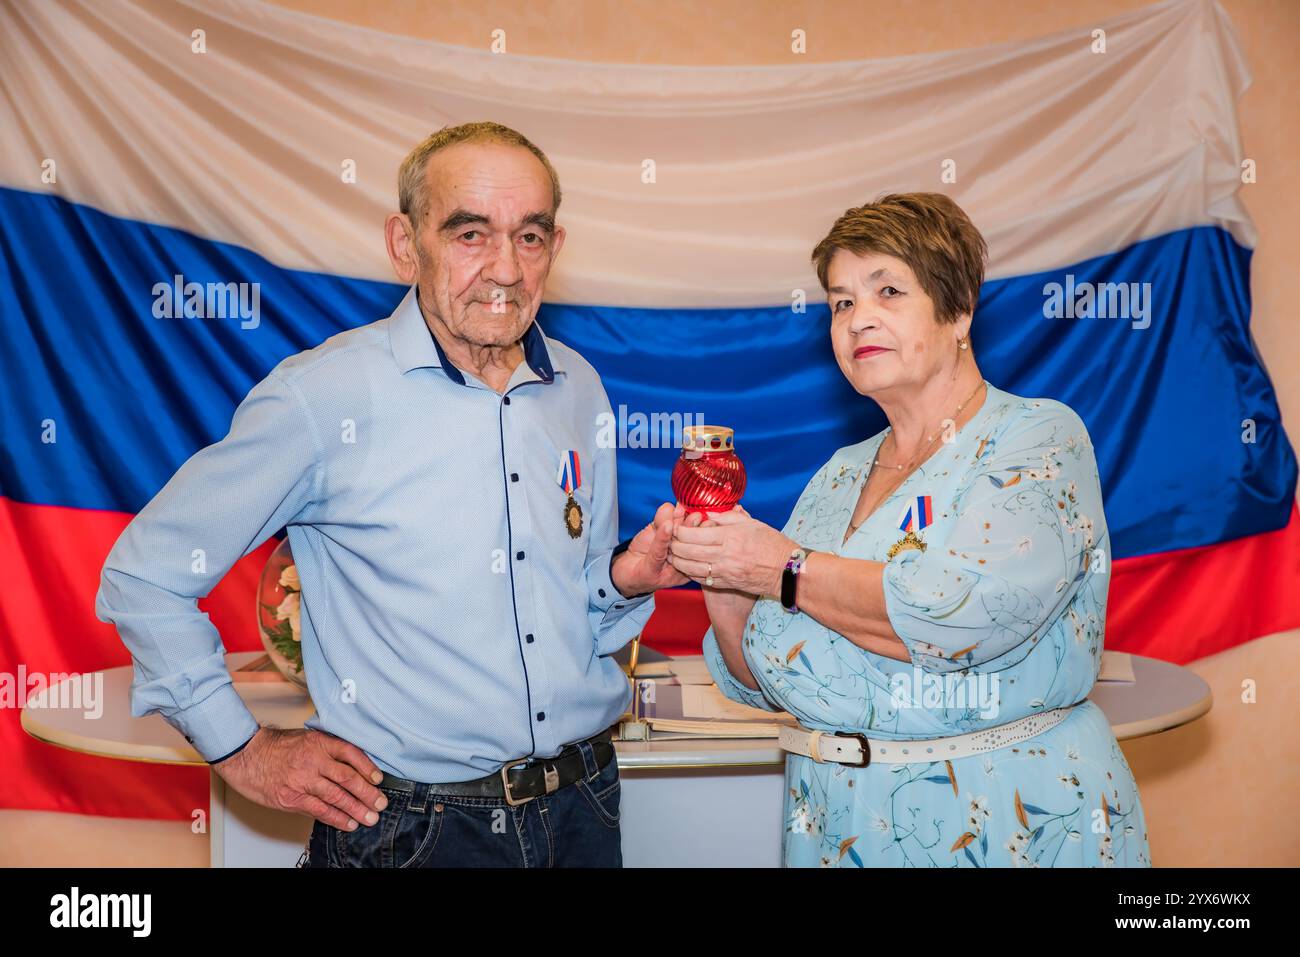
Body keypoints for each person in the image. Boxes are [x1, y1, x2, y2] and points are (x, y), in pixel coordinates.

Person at [96, 122, 686, 868]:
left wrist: (621, 582)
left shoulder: (579, 387)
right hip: (416, 832)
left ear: (555, 249)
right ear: (406, 245)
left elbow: (579, 615)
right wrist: (242, 748)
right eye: (471, 233)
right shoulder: (324, 396)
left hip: (585, 810)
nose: (506, 267)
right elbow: (143, 575)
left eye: (529, 236)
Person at [668, 192, 1150, 867]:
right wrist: (722, 573)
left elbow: (962, 617)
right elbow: (763, 677)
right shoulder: (839, 473)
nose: (858, 317)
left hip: (1002, 815)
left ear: (958, 312)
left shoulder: (1038, 437)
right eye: (840, 303)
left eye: (887, 290)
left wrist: (781, 567)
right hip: (837, 820)